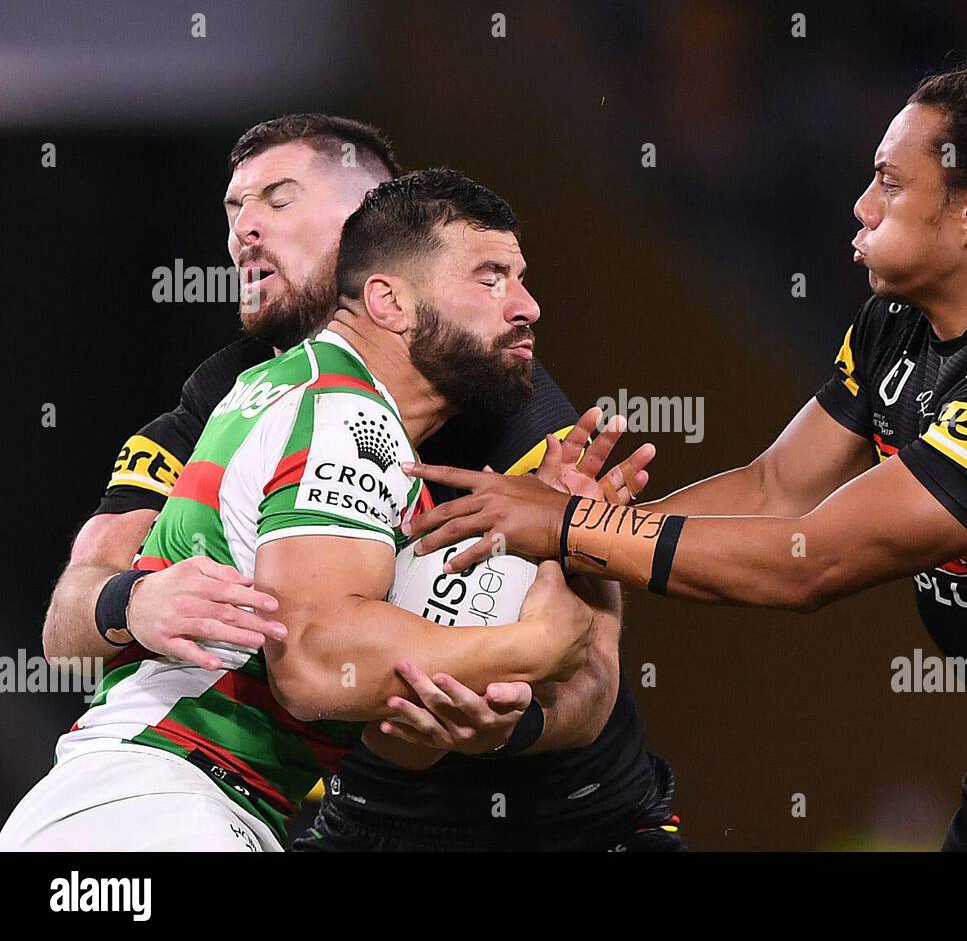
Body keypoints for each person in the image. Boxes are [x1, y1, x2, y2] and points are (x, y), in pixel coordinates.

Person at [405, 64, 967, 851]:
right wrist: (583, 528)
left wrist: (569, 530)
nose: (861, 204)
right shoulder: (895, 328)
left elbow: (809, 563)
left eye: (891, 184)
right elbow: (777, 488)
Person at [37, 115, 682, 852]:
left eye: (277, 202)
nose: (244, 229)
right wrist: (132, 599)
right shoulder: (248, 395)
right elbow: (71, 627)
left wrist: (509, 716)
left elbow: (588, 671)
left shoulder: (499, 394)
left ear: (368, 229)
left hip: (562, 819)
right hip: (246, 804)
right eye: (233, 209)